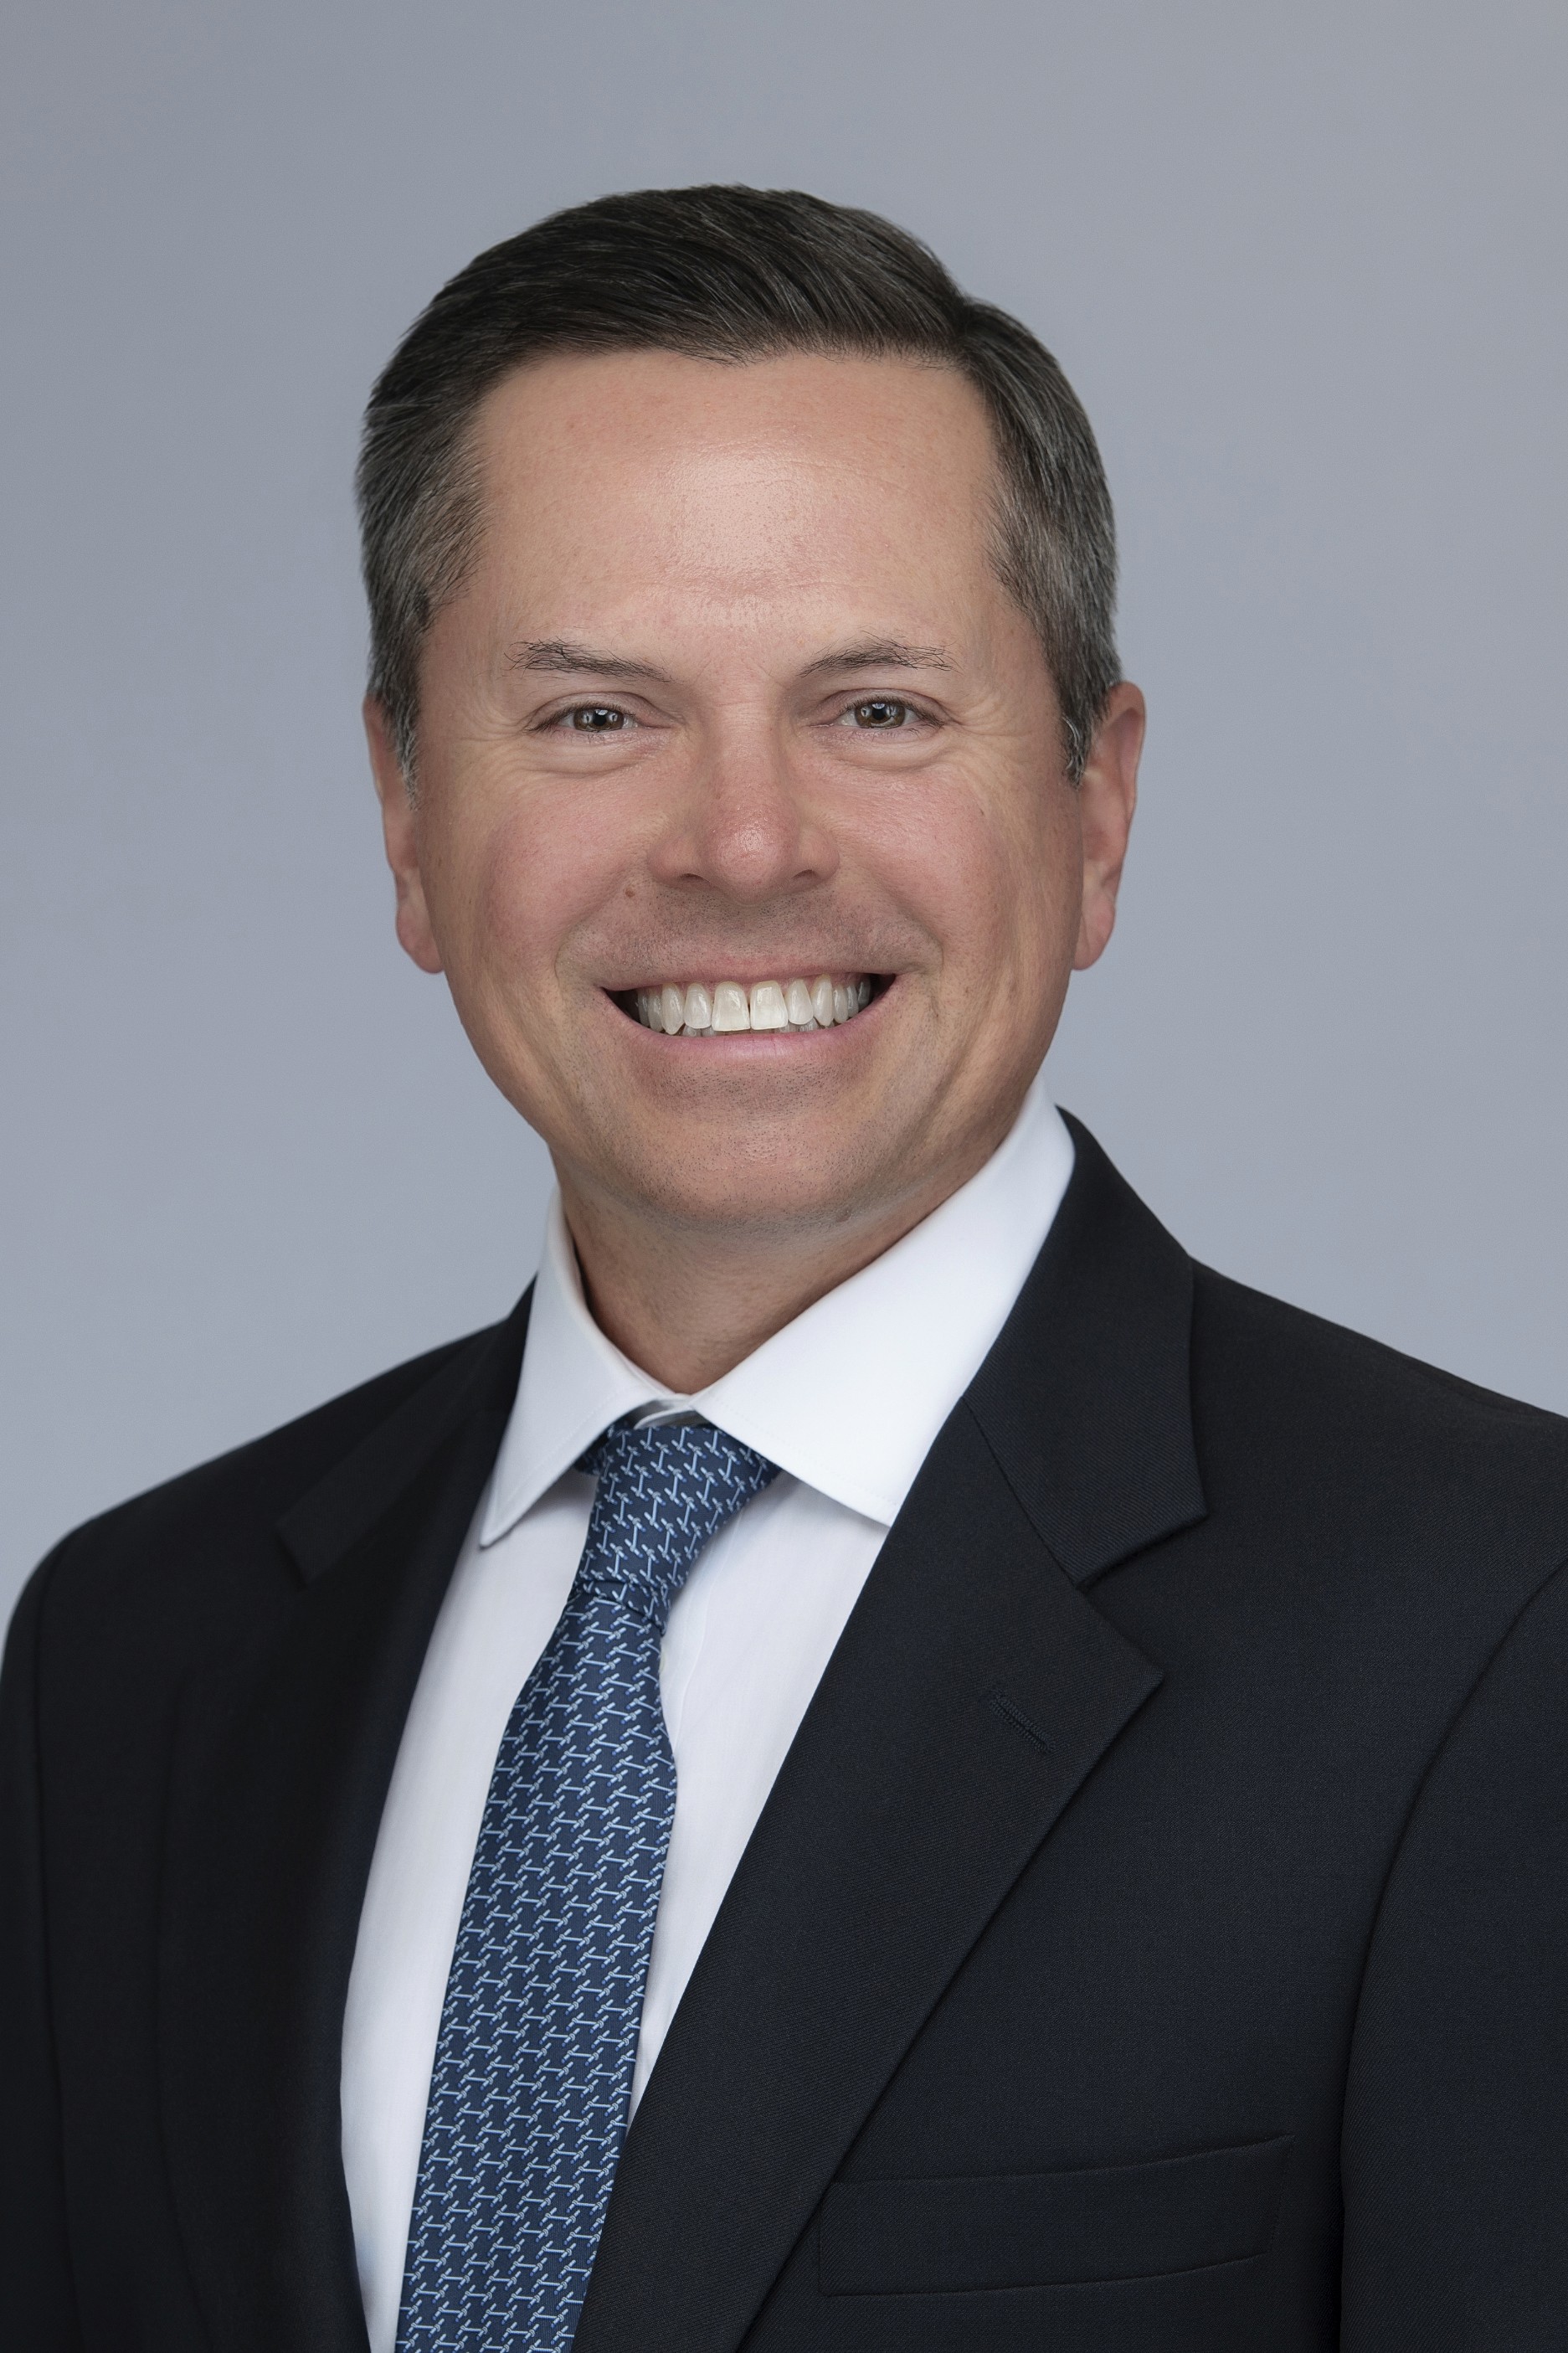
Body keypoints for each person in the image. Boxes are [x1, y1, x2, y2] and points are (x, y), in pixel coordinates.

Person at [3, 184, 1565, 2353]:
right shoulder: (130, 1656)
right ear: (404, 815)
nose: (742, 844)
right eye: (593, 717)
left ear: (1096, 809)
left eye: (879, 709)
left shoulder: (1500, 1627)